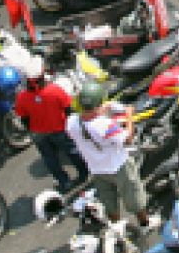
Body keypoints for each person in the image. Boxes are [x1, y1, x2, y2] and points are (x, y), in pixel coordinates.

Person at [66, 83, 158, 235]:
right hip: (119, 166)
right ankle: (145, 223)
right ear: (97, 105)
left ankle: (117, 230)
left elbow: (75, 132)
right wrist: (129, 115)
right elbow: (127, 138)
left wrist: (101, 110)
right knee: (134, 197)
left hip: (97, 169)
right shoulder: (104, 125)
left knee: (109, 202)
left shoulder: (72, 122)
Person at [15, 58, 87, 190]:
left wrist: (33, 130)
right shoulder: (55, 90)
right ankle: (83, 174)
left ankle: (64, 182)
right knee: (72, 152)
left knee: (50, 159)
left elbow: (24, 118)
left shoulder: (22, 97)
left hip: (38, 133)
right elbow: (68, 110)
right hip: (60, 130)